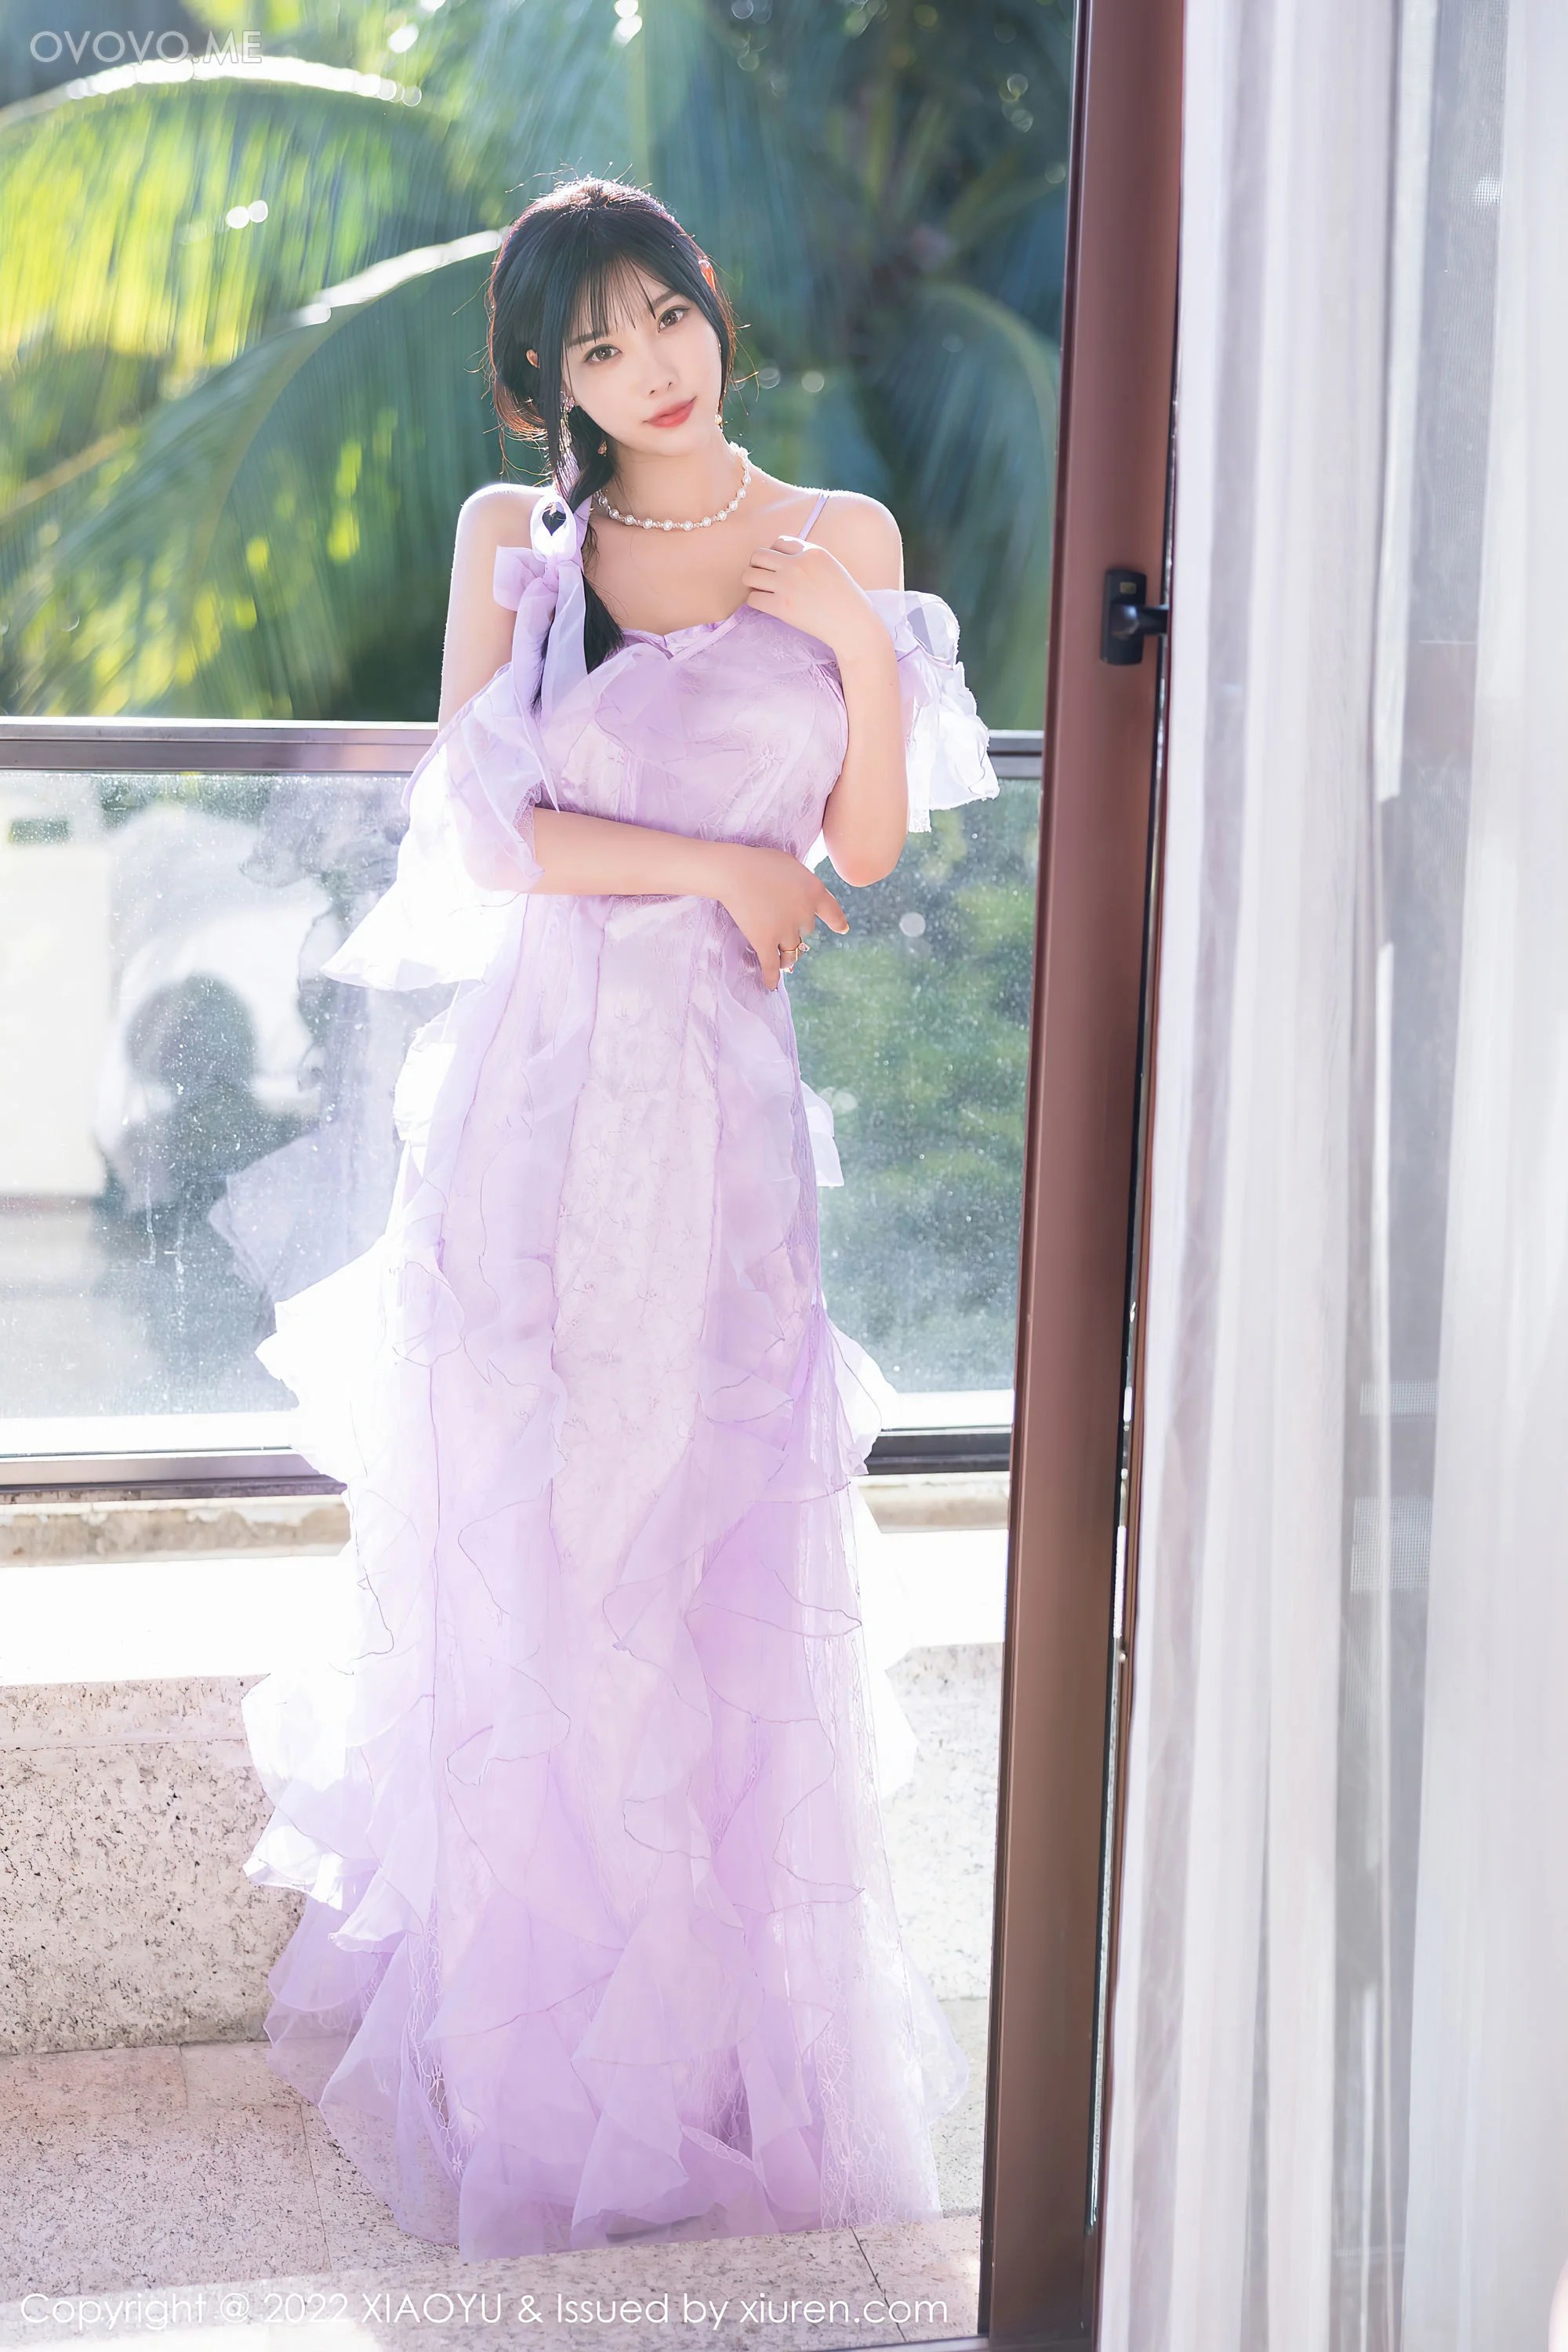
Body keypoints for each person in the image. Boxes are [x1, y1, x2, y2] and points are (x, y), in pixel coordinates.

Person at [238, 174, 1000, 2260]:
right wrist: (721, 872)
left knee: (705, 1551)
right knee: (537, 1550)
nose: (652, 364)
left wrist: (837, 635)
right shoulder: (525, 544)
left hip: (721, 1129)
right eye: (597, 345)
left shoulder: (844, 537)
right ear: (545, 387)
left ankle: (714, 2065)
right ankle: (539, 2079)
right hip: (534, 1105)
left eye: (668, 314)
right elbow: (490, 839)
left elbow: (864, 842)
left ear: (713, 309)